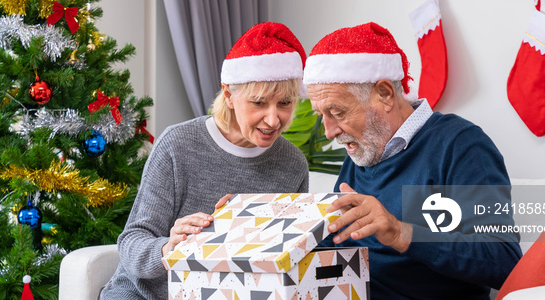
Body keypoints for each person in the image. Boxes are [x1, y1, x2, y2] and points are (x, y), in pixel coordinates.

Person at [302, 22, 522, 299]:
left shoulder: (461, 145)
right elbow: (337, 247)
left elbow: (505, 261)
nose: (329, 131)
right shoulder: (362, 149)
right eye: (322, 114)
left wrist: (400, 232)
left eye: (338, 112)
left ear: (385, 94)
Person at [99, 22, 309, 300]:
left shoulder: (293, 164)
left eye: (285, 103)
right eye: (259, 103)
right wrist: (169, 248)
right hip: (144, 294)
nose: (274, 120)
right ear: (229, 94)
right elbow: (132, 243)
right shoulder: (178, 144)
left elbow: (291, 257)